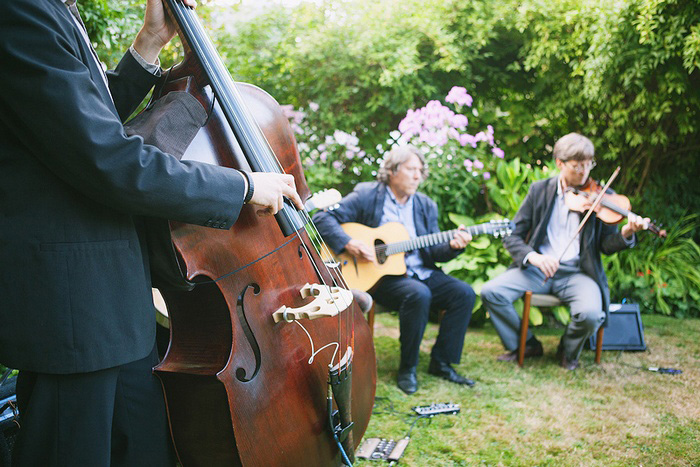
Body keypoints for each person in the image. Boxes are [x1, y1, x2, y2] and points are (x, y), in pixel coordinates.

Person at [0, 0, 303, 465]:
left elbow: (85, 123)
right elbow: (105, 158)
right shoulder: (19, 12)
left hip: (114, 303)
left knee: (143, 450)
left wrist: (148, 44)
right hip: (73, 308)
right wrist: (241, 186)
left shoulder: (53, 10)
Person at [313, 145, 477, 395]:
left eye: (420, 171)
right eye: (411, 169)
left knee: (463, 293)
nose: (417, 176)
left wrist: (453, 246)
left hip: (419, 271)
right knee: (418, 294)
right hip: (380, 277)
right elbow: (321, 218)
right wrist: (349, 243)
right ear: (392, 170)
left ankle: (442, 363)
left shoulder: (426, 205)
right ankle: (407, 368)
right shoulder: (367, 194)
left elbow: (433, 251)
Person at [480, 133, 649, 370]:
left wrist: (627, 233)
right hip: (538, 270)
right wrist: (534, 257)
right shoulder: (539, 190)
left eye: (588, 164)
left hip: (578, 273)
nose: (584, 172)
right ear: (560, 163)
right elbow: (513, 234)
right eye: (577, 165)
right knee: (491, 292)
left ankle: (568, 350)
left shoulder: (599, 197)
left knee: (590, 314)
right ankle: (526, 344)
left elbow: (607, 246)